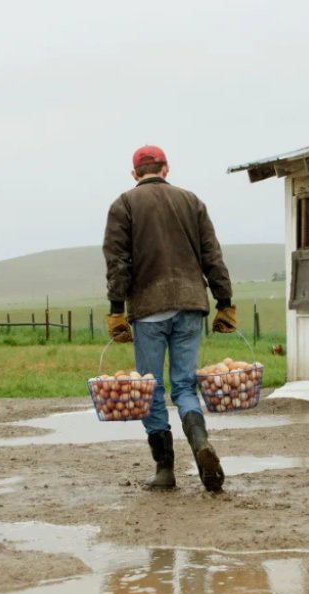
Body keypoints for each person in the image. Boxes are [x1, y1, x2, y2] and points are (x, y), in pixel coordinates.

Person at [103, 144, 237, 493]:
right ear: (166, 169)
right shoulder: (192, 201)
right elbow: (212, 254)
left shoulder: (124, 204)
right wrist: (225, 301)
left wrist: (116, 309)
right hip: (191, 303)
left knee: (151, 388)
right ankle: (200, 445)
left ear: (135, 174)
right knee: (184, 386)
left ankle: (165, 471)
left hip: (148, 309)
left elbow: (117, 262)